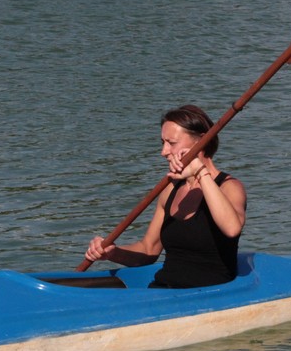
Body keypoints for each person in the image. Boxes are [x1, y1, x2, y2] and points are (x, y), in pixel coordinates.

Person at [85, 105, 247, 288]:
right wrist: (113, 253)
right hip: (164, 290)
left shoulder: (229, 187)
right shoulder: (170, 190)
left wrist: (200, 171)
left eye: (172, 143)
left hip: (208, 294)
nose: (164, 151)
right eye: (162, 143)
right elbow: (149, 249)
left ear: (201, 141)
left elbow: (232, 229)